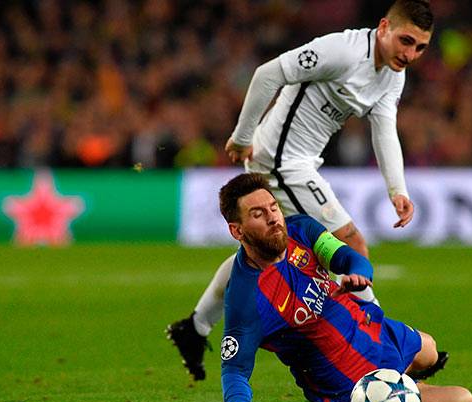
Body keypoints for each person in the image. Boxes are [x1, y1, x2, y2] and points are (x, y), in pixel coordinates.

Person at [167, 0, 438, 380]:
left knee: (259, 252)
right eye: (406, 41)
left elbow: (384, 127)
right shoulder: (342, 51)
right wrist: (243, 135)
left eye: (420, 47)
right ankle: (383, 357)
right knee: (352, 244)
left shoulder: (392, 74)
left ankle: (194, 328)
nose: (410, 54)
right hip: (280, 163)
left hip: (300, 163)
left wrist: (397, 188)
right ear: (383, 27)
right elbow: (267, 74)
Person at [215, 173, 472, 402]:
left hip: (371, 331)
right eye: (258, 214)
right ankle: (404, 392)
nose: (273, 218)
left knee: (430, 349)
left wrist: (358, 274)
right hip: (353, 385)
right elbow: (234, 369)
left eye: (273, 207)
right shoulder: (245, 298)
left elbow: (349, 258)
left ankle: (406, 384)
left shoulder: (301, 230)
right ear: (237, 231)